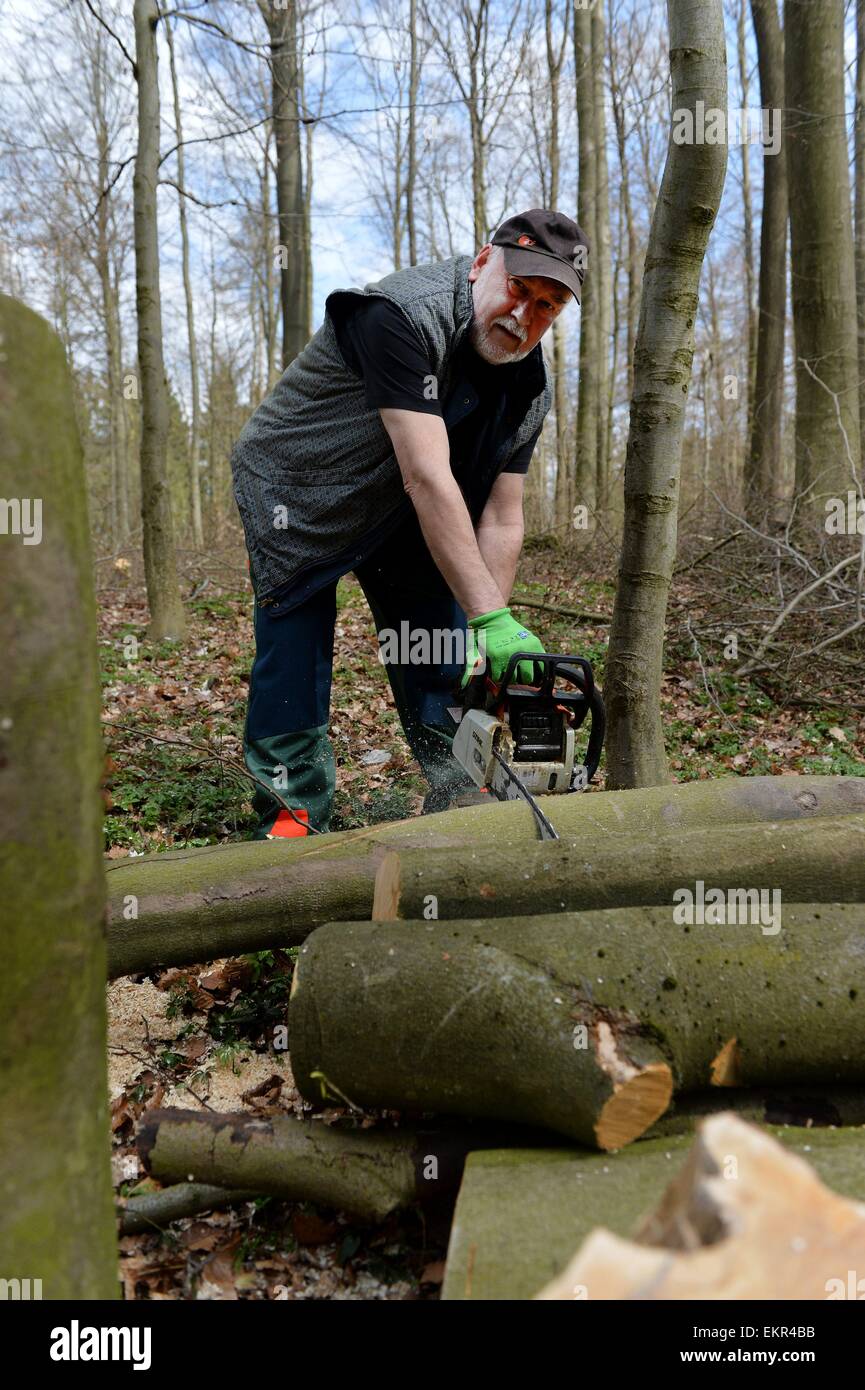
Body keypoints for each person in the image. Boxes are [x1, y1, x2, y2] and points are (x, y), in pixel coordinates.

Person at [230, 207, 588, 837]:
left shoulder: (528, 387)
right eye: (517, 288)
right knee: (296, 646)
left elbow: (503, 517)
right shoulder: (397, 314)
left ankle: (459, 796)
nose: (522, 316)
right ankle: (292, 817)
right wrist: (490, 615)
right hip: (302, 489)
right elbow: (427, 473)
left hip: (400, 502)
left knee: (439, 645)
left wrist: (490, 631)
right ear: (482, 264)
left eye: (547, 306)